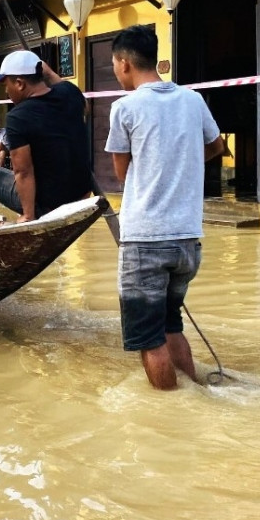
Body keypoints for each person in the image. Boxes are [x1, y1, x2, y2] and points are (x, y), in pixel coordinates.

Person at [104, 25, 225, 390]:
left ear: (124, 63)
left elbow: (122, 172)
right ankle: (197, 394)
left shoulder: (124, 108)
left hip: (145, 241)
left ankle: (175, 414)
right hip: (188, 241)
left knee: (149, 339)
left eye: (113, 64)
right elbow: (217, 146)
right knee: (171, 324)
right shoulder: (193, 100)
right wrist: (182, 160)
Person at [0, 50, 91, 230]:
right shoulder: (69, 94)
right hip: (81, 196)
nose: (6, 91)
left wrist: (28, 216)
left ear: (20, 84)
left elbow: (23, 171)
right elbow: (85, 107)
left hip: (47, 204)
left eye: (6, 85)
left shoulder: (18, 116)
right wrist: (48, 73)